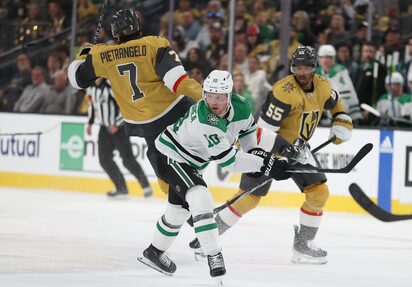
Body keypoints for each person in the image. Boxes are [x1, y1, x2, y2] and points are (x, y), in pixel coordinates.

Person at [189, 46, 353, 265]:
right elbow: (261, 131)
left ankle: (303, 244)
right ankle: (205, 240)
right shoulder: (283, 92)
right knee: (248, 199)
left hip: (299, 148)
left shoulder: (323, 85)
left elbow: (335, 103)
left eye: (307, 67)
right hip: (269, 146)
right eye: (297, 67)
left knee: (318, 193)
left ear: (316, 68)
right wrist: (273, 159)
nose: (302, 72)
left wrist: (341, 118)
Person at [138, 70, 302, 280]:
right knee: (200, 196)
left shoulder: (242, 106)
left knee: (179, 212)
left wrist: (267, 161)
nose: (213, 101)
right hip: (169, 154)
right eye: (209, 95)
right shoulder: (206, 119)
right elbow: (230, 162)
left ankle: (154, 251)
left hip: (192, 163)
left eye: (219, 96)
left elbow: (249, 144)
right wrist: (267, 164)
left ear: (229, 96)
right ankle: (214, 256)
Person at [68, 9, 202, 197]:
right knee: (197, 148)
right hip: (174, 110)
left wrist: (84, 54)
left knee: (165, 172)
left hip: (146, 123)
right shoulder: (154, 43)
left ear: (115, 33)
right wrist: (206, 97)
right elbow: (178, 81)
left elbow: (76, 80)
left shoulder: (102, 55)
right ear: (138, 27)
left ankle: (186, 204)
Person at [86, 78, 152, 198]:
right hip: (104, 128)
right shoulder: (91, 88)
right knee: (104, 160)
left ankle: (146, 186)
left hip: (119, 129)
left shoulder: (110, 86)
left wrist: (117, 123)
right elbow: (92, 105)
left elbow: (125, 104)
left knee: (127, 160)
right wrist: (90, 123)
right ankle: (121, 188)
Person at [316, 44, 362, 122]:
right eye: (323, 57)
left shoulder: (340, 70)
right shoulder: (317, 72)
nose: (325, 60)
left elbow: (347, 91)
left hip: (341, 107)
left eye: (328, 57)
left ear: (333, 58)